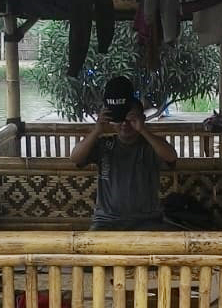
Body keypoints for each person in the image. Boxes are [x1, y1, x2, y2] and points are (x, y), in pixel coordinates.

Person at [70, 76, 178, 229]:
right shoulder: (104, 145)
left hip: (147, 220)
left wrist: (142, 129)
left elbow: (171, 156)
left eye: (131, 118)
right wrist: (97, 130)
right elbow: (75, 157)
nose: (125, 124)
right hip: (107, 221)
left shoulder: (150, 146)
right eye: (120, 119)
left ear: (142, 118)